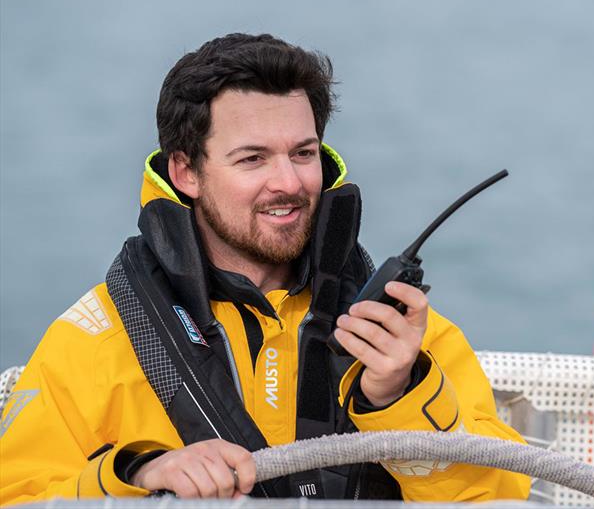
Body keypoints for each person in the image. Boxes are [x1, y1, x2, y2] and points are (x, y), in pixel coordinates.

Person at [0, 33, 530, 504]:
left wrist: (401, 395)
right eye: (252, 159)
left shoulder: (398, 334)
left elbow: (502, 496)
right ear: (186, 171)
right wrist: (137, 473)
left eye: (303, 153)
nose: (289, 183)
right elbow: (19, 493)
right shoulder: (95, 339)